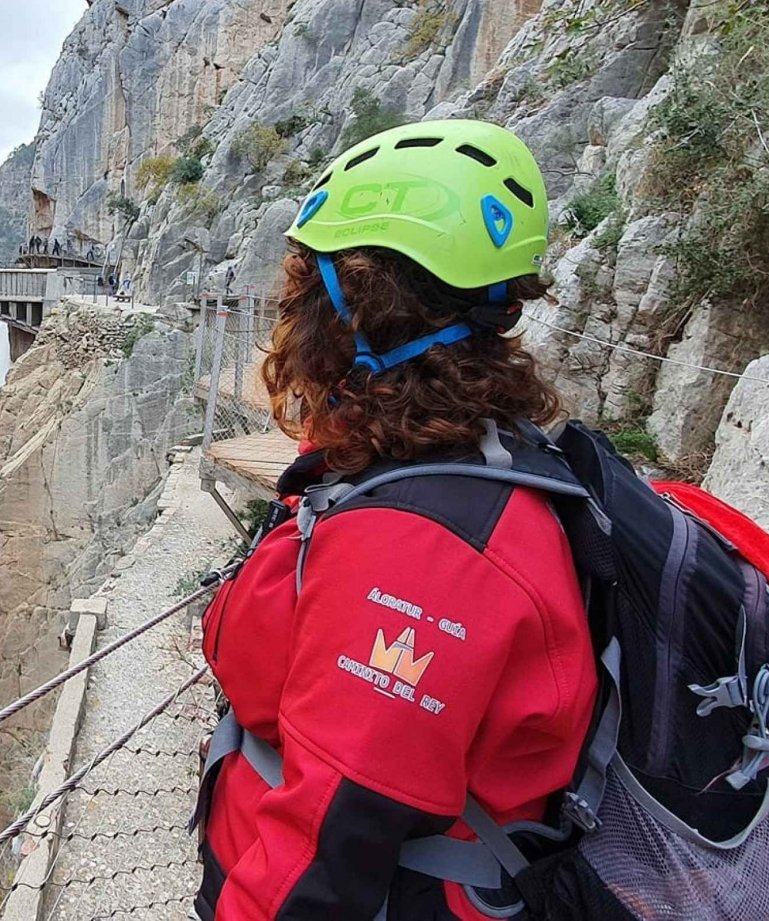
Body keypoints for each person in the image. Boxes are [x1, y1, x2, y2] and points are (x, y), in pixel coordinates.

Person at [195, 120, 598, 920]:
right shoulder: (456, 459)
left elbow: (328, 851)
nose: (288, 310)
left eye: (305, 288)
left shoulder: (419, 552)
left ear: (353, 312)